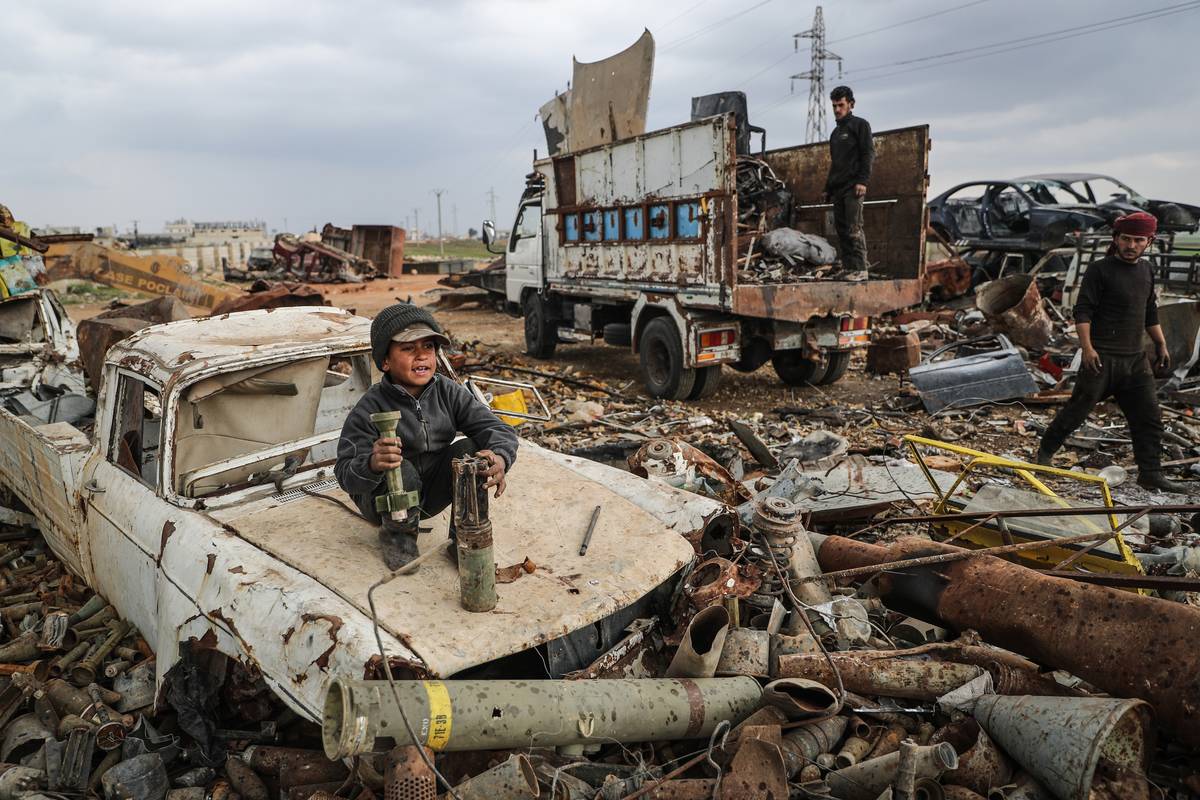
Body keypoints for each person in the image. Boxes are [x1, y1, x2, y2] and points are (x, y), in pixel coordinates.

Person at [335, 303, 519, 568]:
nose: (421, 356)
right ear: (385, 361)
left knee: (472, 452)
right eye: (408, 348)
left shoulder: (447, 391)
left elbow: (498, 429)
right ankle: (399, 539)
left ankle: (464, 539)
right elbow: (344, 473)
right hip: (384, 501)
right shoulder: (370, 407)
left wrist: (500, 458)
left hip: (429, 494)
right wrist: (372, 464)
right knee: (402, 468)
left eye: (428, 347)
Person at [1037, 211, 1186, 493]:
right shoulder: (1100, 269)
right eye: (1126, 239)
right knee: (1076, 411)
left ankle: (1150, 473)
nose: (1131, 245)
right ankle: (1044, 456)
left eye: (1138, 240)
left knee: (1149, 418)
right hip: (1101, 359)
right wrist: (1088, 349)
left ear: (1149, 242)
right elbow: (1082, 312)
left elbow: (1150, 311)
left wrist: (1161, 343)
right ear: (1116, 238)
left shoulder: (1146, 271)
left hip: (1135, 362)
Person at [823, 85, 874, 272]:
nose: (837, 110)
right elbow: (836, 164)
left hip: (854, 187)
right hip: (838, 189)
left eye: (841, 105)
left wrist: (863, 181)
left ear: (851, 105)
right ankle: (849, 269)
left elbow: (868, 154)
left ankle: (861, 270)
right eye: (834, 106)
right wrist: (828, 188)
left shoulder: (860, 125)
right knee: (841, 231)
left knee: (854, 229)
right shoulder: (835, 134)